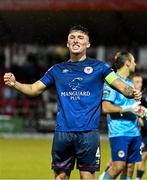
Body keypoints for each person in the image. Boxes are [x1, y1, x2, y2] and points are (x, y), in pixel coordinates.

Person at [4, 26, 141, 180]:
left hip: (88, 134)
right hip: (63, 132)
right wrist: (15, 83)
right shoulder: (57, 70)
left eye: (81, 37)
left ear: (88, 44)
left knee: (87, 176)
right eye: (72, 37)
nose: (76, 40)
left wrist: (132, 92)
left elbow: (118, 84)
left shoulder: (100, 68)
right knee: (60, 177)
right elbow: (34, 89)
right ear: (68, 43)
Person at [102, 51, 143, 179]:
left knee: (129, 169)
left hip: (134, 132)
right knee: (118, 167)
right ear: (127, 63)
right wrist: (128, 108)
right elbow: (106, 107)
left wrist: (142, 112)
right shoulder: (112, 82)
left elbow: (133, 108)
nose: (135, 64)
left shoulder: (130, 84)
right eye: (133, 61)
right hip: (120, 132)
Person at [131, 74, 147, 180]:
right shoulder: (140, 96)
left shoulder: (142, 96)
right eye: (137, 82)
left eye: (141, 82)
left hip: (144, 132)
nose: (140, 84)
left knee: (144, 156)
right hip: (136, 132)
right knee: (120, 163)